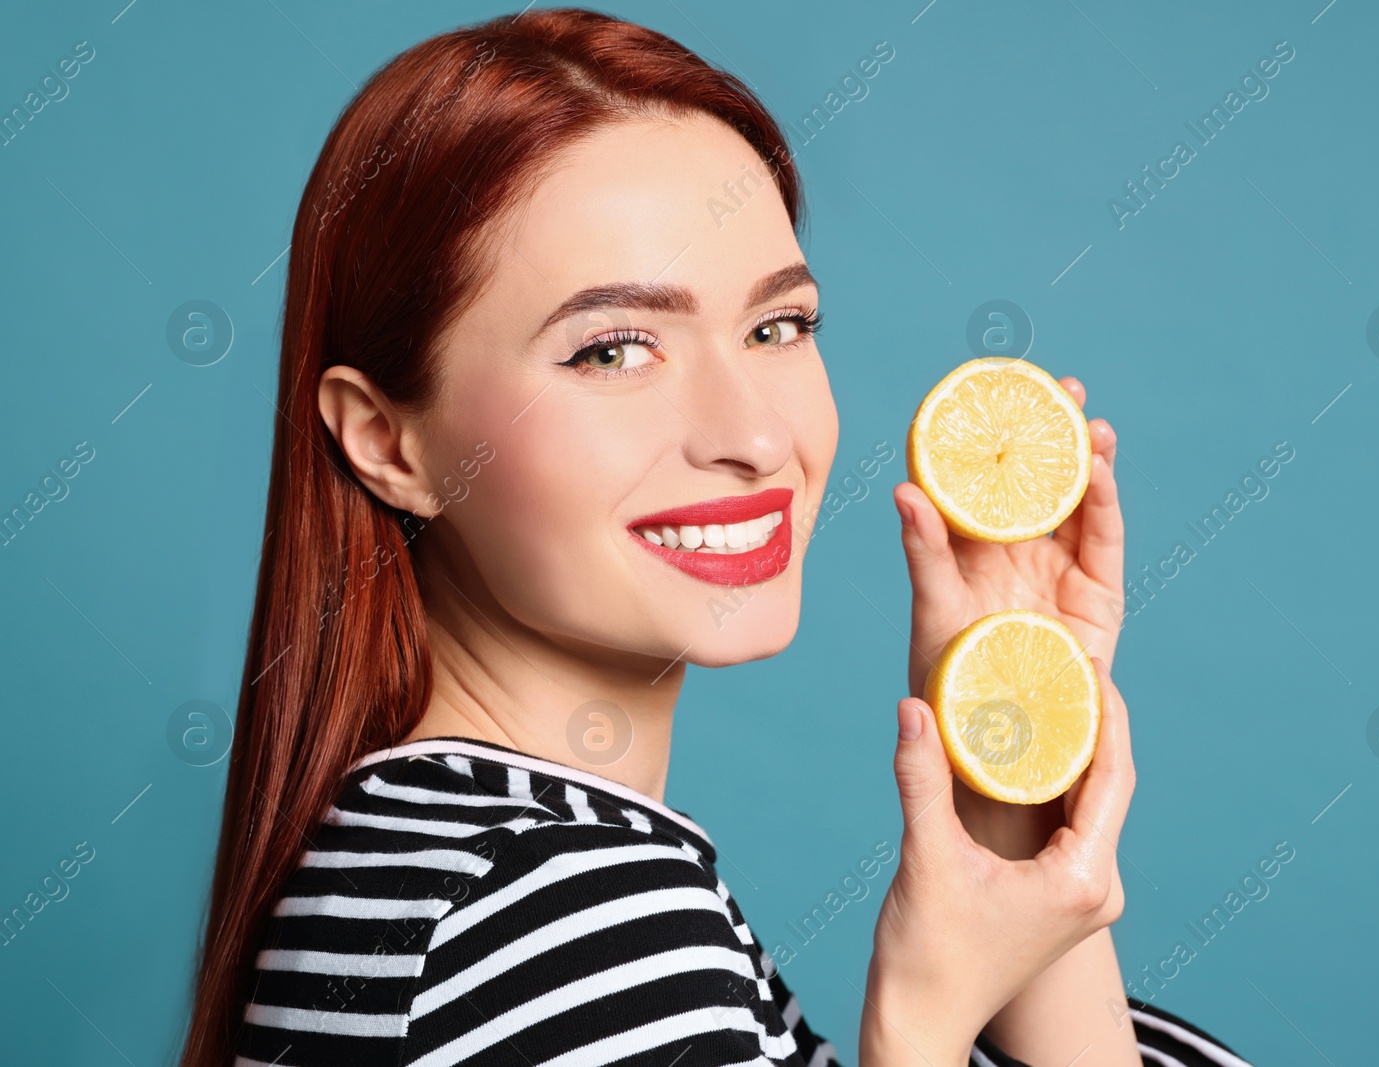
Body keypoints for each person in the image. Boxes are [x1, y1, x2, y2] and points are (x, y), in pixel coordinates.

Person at [178, 9, 1254, 1067]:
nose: (752, 434)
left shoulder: (462, 860)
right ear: (386, 441)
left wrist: (1007, 785)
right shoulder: (561, 915)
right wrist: (919, 1022)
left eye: (776, 326)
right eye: (611, 350)